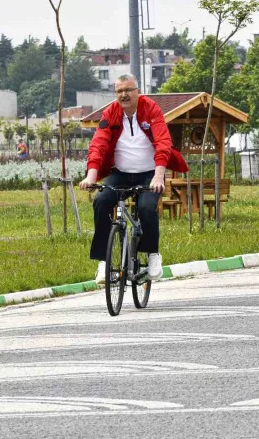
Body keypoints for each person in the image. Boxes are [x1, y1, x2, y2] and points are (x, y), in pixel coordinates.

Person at [79, 74, 188, 284]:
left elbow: (163, 142)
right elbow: (98, 144)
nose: (124, 95)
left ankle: (153, 255)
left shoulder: (150, 109)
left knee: (147, 207)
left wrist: (158, 176)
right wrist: (91, 177)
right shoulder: (110, 112)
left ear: (137, 91)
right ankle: (103, 261)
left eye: (128, 90)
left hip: (149, 174)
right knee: (101, 201)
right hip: (120, 172)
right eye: (119, 91)